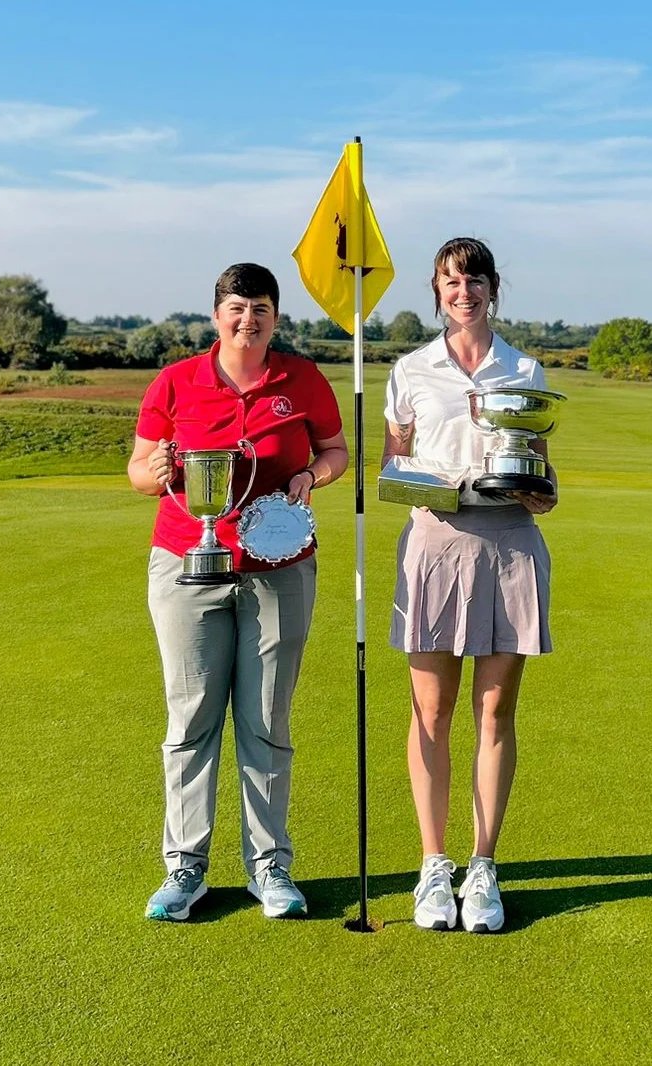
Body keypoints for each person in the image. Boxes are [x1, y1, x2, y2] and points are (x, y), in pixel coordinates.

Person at [128, 263, 348, 921]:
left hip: (278, 564)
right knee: (191, 718)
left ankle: (269, 869)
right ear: (216, 314)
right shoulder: (175, 381)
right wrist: (156, 469)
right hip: (186, 561)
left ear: (275, 318)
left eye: (259, 308)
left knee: (266, 721)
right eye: (235, 307)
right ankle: (184, 871)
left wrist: (313, 475)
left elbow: (334, 449)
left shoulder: (301, 379)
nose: (246, 319)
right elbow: (139, 469)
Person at [383, 237, 558, 933]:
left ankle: (482, 868)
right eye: (451, 281)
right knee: (431, 713)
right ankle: (434, 867)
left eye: (475, 279)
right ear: (435, 290)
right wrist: (453, 486)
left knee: (494, 714)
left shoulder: (523, 367)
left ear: (492, 289)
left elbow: (542, 468)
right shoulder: (409, 370)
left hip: (510, 544)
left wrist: (539, 491)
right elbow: (393, 473)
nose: (464, 292)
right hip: (434, 543)